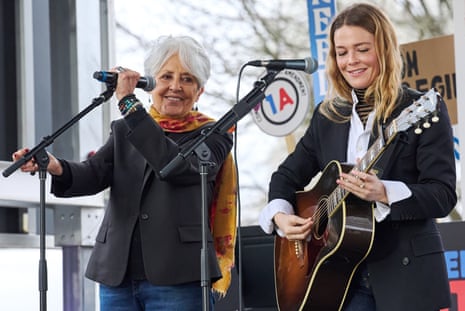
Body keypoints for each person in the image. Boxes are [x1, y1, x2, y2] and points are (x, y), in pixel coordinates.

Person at [13, 35, 237, 310]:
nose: (175, 87)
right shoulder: (125, 130)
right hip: (117, 275)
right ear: (151, 83)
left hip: (178, 276)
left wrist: (130, 106)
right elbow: (93, 174)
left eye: (187, 79)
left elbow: (175, 167)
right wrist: (54, 164)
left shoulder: (214, 134)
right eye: (166, 77)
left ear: (200, 91)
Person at [259, 3, 456, 311]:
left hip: (406, 275)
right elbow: (285, 176)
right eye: (341, 52)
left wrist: (384, 192)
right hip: (342, 278)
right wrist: (280, 216)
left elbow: (442, 195)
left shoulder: (419, 109)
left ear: (384, 49)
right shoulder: (328, 117)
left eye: (362, 49)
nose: (351, 61)